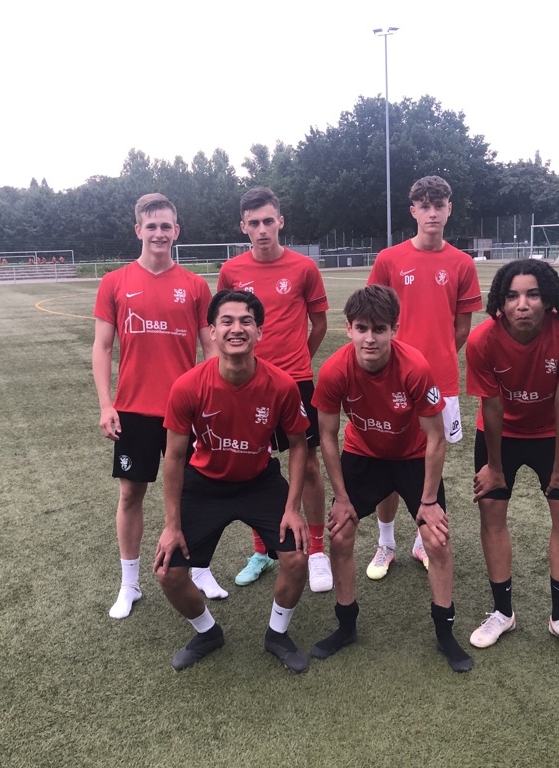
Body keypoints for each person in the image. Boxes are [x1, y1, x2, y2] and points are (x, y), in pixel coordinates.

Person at [310, 285, 473, 673]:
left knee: (437, 539)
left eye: (379, 329)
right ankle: (346, 625)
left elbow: (436, 437)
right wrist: (341, 497)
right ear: (348, 328)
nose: (370, 338)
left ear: (394, 330)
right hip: (364, 456)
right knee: (340, 534)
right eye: (362, 328)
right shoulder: (334, 370)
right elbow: (327, 437)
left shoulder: (414, 367)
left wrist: (428, 502)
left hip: (412, 457)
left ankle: (445, 632)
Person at [154, 290, 312, 673]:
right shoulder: (188, 386)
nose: (236, 329)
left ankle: (277, 634)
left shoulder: (281, 385)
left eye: (246, 321)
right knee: (168, 573)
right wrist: (171, 525)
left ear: (259, 332)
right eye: (226, 321)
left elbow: (298, 445)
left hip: (259, 481)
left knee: (296, 558)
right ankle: (207, 633)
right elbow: (174, 458)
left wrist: (293, 508)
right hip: (204, 484)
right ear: (212, 331)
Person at [197, 187, 332, 594]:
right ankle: (262, 551)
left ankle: (318, 551)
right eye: (253, 223)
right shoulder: (231, 270)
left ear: (280, 222)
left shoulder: (304, 267)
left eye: (268, 221)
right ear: (243, 226)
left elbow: (319, 324)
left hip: (295, 381)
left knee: (309, 465)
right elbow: (226, 323)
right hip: (246, 383)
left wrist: (297, 363)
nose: (261, 229)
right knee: (251, 462)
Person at [465, 259, 559, 658]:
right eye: (512, 296)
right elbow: (491, 407)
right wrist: (494, 468)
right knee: (491, 509)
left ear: (549, 299)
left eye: (532, 294)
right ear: (500, 302)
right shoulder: (482, 340)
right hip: (500, 434)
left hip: (551, 433)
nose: (521, 304)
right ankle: (502, 613)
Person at [92, 193, 217, 620]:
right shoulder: (115, 282)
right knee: (131, 493)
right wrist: (106, 404)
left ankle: (200, 569)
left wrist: (213, 399)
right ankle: (129, 583)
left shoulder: (195, 285)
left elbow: (210, 348)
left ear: (176, 231)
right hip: (133, 409)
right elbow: (102, 346)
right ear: (138, 230)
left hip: (186, 410)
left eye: (166, 226)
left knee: (194, 492)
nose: (159, 233)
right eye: (152, 226)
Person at [364, 175, 482, 579]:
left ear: (450, 209)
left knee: (430, 460)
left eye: (439, 205)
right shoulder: (389, 259)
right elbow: (374, 318)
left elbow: (461, 329)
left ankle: (420, 541)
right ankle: (385, 542)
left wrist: (433, 363)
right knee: (388, 461)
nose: (432, 213)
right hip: (391, 381)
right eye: (425, 206)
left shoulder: (462, 263)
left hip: (440, 381)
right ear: (413, 211)